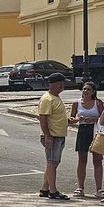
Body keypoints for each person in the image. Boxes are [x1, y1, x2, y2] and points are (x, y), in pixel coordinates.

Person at [36, 72, 70, 200]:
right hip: (52, 135)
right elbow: (43, 118)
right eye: (61, 83)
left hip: (58, 134)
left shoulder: (55, 97)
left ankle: (45, 188)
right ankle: (53, 190)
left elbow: (54, 117)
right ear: (56, 84)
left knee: (53, 163)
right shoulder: (47, 99)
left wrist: (68, 120)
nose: (63, 86)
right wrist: (47, 135)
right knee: (52, 162)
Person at [71, 81, 104, 199]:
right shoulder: (76, 103)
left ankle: (99, 189)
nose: (85, 91)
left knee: (97, 160)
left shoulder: (98, 103)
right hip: (82, 131)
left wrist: (93, 118)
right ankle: (80, 187)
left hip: (95, 130)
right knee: (82, 160)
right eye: (84, 89)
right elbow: (71, 118)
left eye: (88, 89)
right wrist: (76, 119)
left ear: (93, 92)